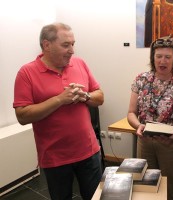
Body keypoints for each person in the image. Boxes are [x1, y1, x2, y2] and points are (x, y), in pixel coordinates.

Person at [13, 22, 104, 200]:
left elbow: (100, 97)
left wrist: (84, 96)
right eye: (66, 45)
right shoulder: (26, 73)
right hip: (55, 157)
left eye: (73, 44)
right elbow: (22, 116)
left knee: (96, 197)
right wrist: (60, 99)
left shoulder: (79, 64)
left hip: (89, 151)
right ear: (46, 45)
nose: (72, 50)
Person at [127, 36, 173, 200]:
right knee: (147, 188)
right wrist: (138, 125)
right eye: (158, 56)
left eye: (167, 57)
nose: (162, 61)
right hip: (146, 142)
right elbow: (131, 113)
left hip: (172, 143)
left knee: (172, 190)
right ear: (153, 57)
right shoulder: (141, 79)